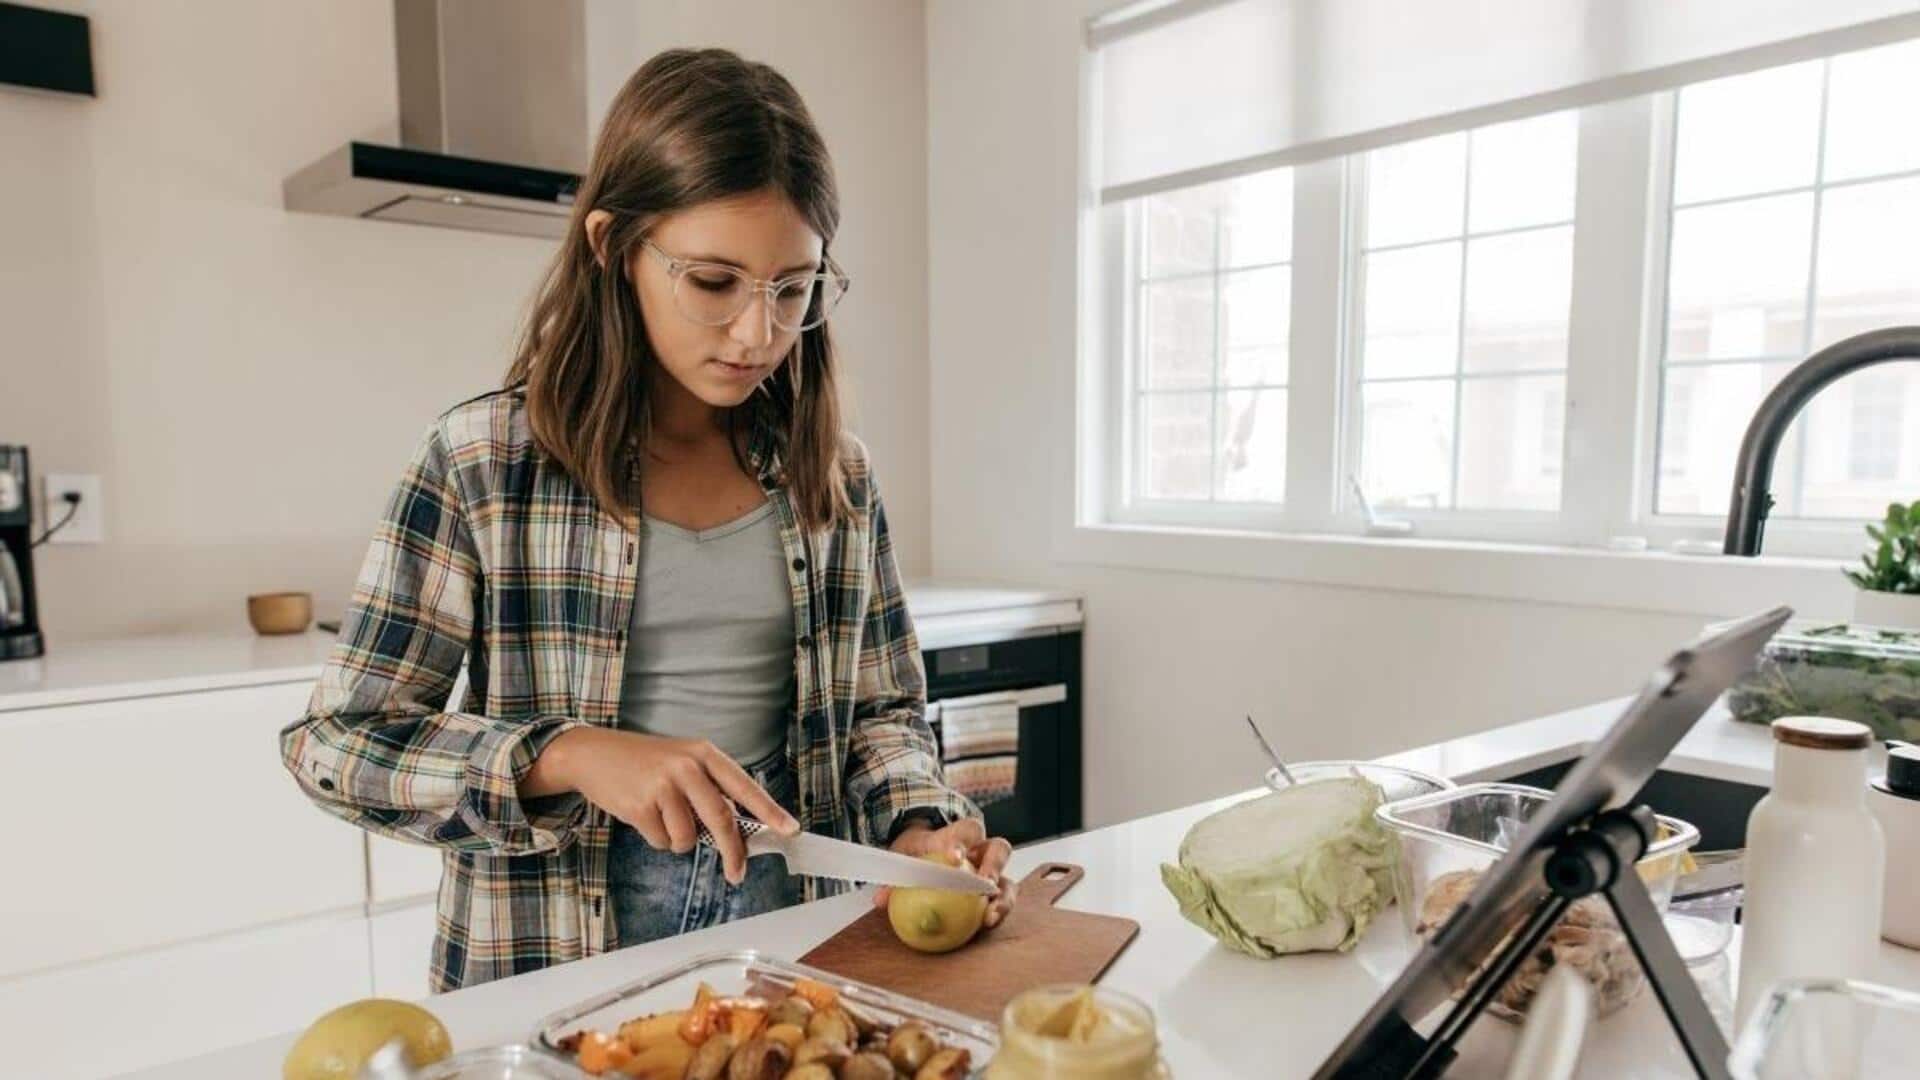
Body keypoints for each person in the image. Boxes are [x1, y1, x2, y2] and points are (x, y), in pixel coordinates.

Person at [279, 47, 1015, 992]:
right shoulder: (483, 462)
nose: (759, 333)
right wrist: (566, 754)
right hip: (552, 948)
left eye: (794, 288)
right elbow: (338, 744)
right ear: (611, 247)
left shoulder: (832, 472)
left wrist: (917, 828)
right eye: (714, 282)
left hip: (793, 936)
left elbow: (882, 714)